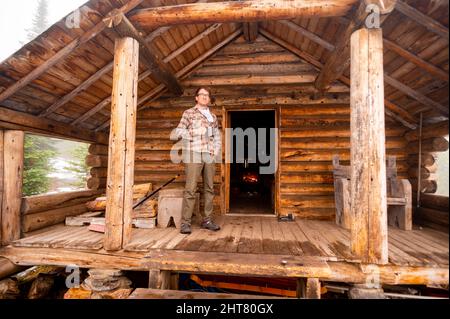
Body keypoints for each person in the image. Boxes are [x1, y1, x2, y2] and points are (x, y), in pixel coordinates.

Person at [174, 87, 221, 234]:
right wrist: (196, 131)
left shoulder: (213, 117)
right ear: (196, 98)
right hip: (193, 153)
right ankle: (185, 223)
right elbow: (179, 132)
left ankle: (207, 220)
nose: (205, 97)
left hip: (209, 154)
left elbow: (215, 136)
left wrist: (215, 151)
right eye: (202, 95)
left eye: (207, 95)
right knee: (191, 188)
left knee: (209, 188)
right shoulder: (189, 113)